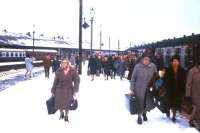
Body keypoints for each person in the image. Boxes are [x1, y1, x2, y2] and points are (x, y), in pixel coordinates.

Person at [130, 56, 157, 125]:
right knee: (140, 103)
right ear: (142, 60)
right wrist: (132, 89)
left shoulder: (152, 66)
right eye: (145, 59)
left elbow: (156, 76)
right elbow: (133, 78)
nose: (146, 61)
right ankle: (139, 117)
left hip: (148, 89)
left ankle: (144, 113)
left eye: (148, 59)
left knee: (146, 102)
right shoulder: (137, 66)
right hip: (139, 88)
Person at [164, 55, 186, 122]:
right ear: (172, 62)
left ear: (179, 62)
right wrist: (167, 86)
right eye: (174, 61)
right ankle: (167, 111)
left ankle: (173, 116)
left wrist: (183, 90)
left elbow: (184, 80)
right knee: (169, 103)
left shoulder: (182, 70)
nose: (175, 62)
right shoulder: (168, 69)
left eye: (176, 61)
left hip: (178, 90)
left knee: (176, 104)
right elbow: (165, 79)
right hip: (170, 89)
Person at [186, 61, 200, 126]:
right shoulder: (192, 71)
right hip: (194, 94)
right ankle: (193, 121)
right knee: (195, 109)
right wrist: (188, 96)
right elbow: (188, 84)